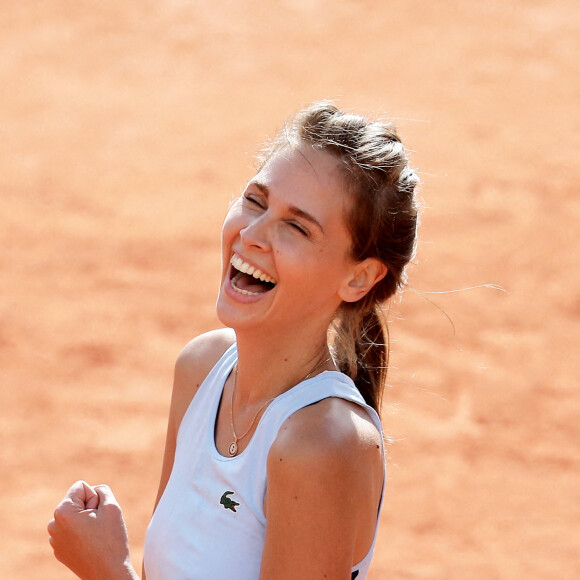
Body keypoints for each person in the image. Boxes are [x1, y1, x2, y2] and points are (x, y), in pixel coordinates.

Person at [48, 101, 420, 579]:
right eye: (256, 201)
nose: (253, 233)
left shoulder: (324, 445)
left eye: (297, 226)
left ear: (359, 277)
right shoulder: (202, 368)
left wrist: (106, 570)